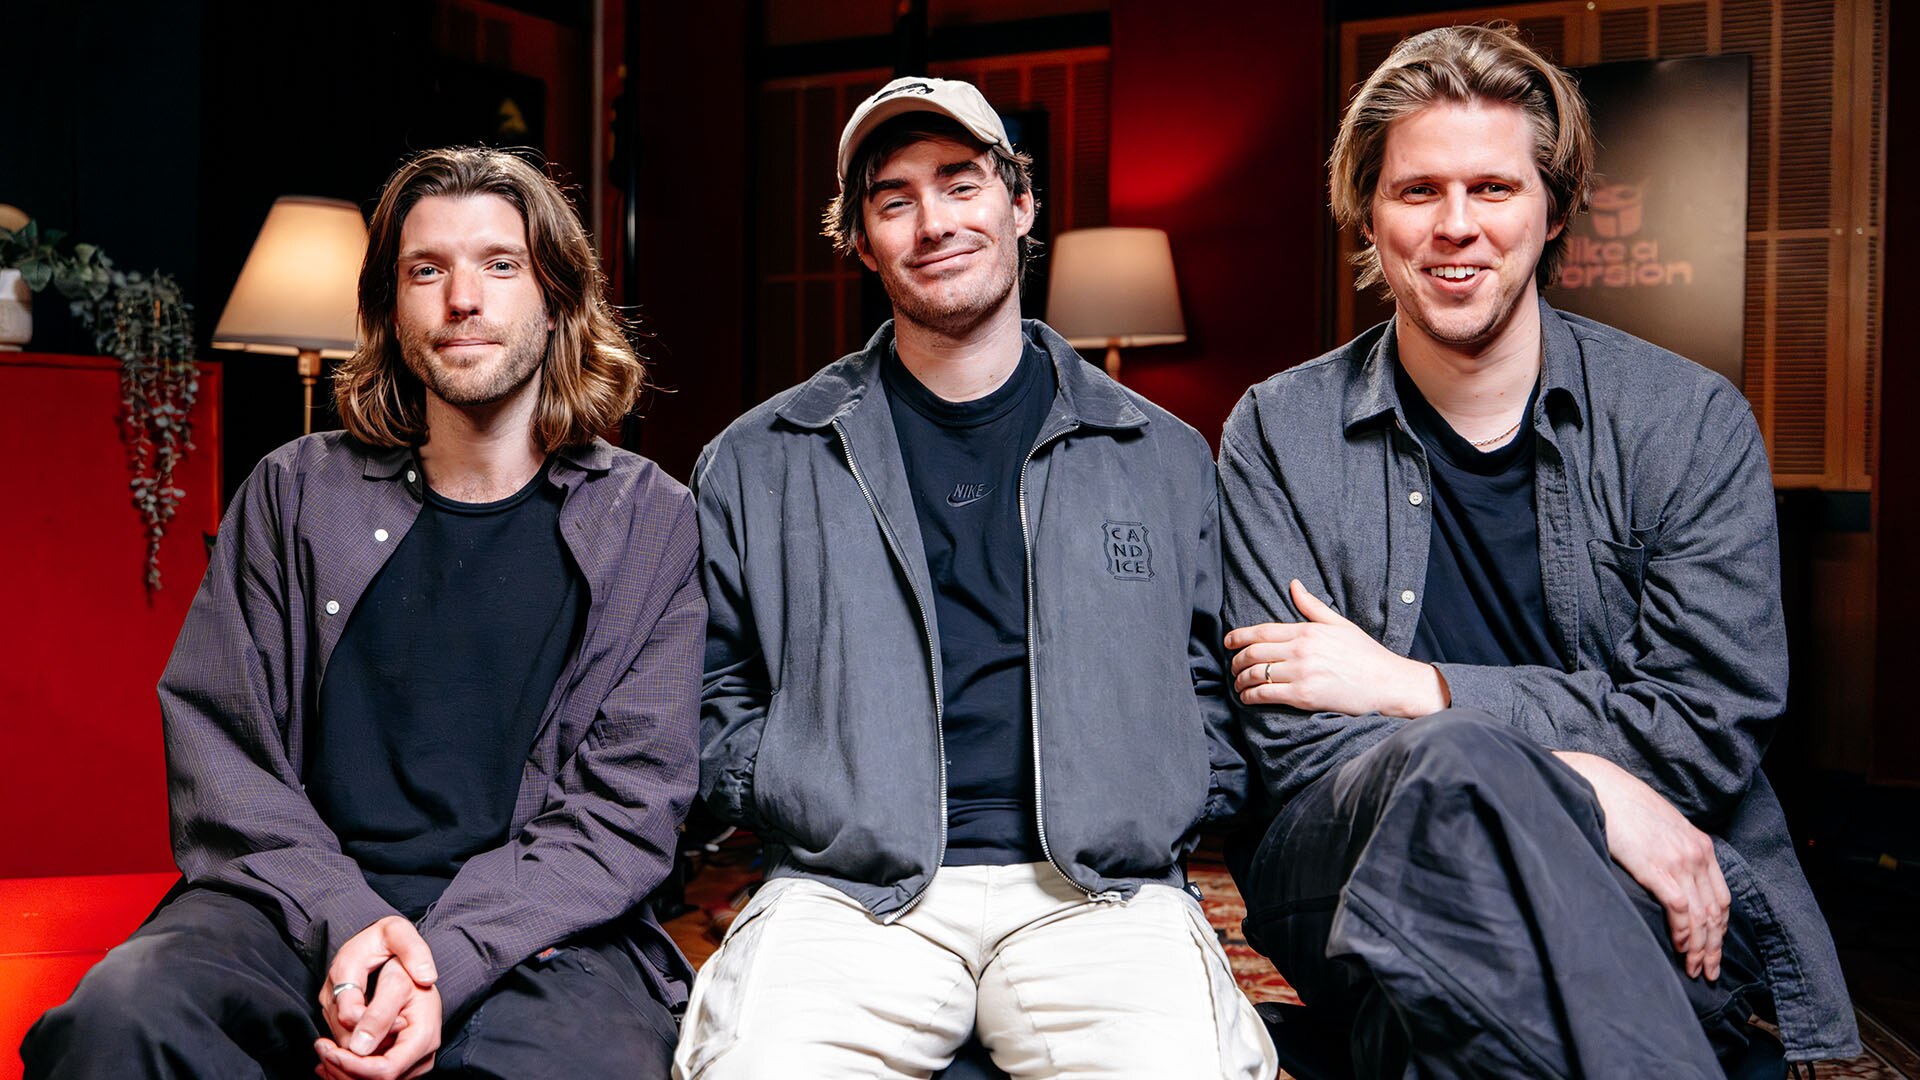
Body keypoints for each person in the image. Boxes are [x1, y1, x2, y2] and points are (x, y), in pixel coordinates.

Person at [1217, 24, 1857, 1077]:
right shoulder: (1277, 431)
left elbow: (1705, 728)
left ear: (1554, 208)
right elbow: (1295, 749)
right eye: (1417, 192)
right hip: (1346, 867)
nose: (1456, 226)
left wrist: (1417, 688)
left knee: (1442, 1001)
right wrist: (1597, 788)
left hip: (1650, 881)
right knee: (1452, 772)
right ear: (1368, 217)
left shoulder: (1687, 421)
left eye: (1493, 189)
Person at [22, 146, 703, 1080]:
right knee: (118, 1019)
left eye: (500, 265)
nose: (462, 298)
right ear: (391, 306)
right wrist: (350, 922)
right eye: (428, 269)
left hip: (545, 926)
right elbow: (224, 759)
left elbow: (626, 810)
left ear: (557, 297)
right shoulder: (293, 494)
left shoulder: (649, 521)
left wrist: (441, 965)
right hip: (288, 904)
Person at [677, 76, 1276, 1079]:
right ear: (861, 241)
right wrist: (791, 779)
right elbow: (707, 688)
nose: (933, 223)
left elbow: (1212, 675)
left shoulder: (1159, 454)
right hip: (847, 891)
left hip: (1099, 894)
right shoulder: (762, 457)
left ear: (1020, 204)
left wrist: (1163, 789)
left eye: (960, 184)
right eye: (894, 199)